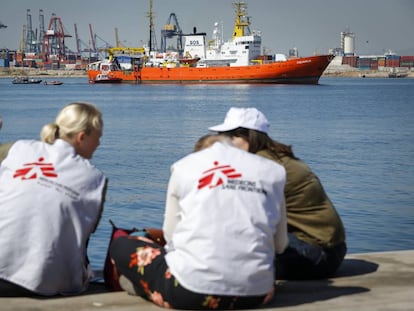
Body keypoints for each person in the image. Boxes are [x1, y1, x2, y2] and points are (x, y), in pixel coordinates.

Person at [110, 134, 288, 309]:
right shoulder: (274, 171)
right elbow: (280, 245)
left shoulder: (183, 167)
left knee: (121, 245)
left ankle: (146, 287)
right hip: (257, 293)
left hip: (190, 292)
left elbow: (171, 235)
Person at [208, 107, 347, 280]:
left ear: (249, 137)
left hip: (317, 254)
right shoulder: (273, 156)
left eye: (230, 137)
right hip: (329, 248)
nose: (224, 143)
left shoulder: (262, 166)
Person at [0, 102, 107, 296]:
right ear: (82, 137)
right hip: (45, 283)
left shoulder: (19, 148)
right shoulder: (94, 178)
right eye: (98, 138)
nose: (99, 144)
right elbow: (84, 235)